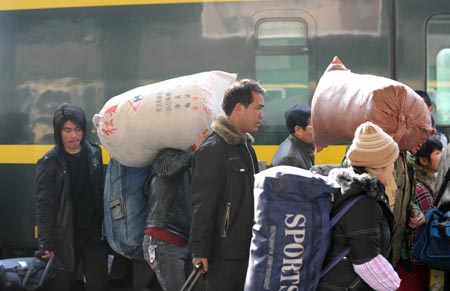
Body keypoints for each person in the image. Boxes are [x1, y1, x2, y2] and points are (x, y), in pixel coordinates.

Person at [189, 79, 265, 291]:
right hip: (223, 255)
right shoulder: (213, 149)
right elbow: (203, 204)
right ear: (239, 108)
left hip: (246, 250)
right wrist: (200, 250)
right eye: (258, 108)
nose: (262, 115)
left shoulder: (246, 147)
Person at [318, 121, 401, 291]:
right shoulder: (363, 203)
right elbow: (366, 261)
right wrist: (394, 285)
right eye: (392, 161)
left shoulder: (350, 190)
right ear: (378, 166)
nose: (393, 167)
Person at [35, 103, 108, 291]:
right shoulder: (48, 163)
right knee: (63, 285)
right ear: (58, 132)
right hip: (65, 238)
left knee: (98, 284)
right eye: (67, 130)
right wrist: (46, 242)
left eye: (78, 129)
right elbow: (44, 205)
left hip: (95, 236)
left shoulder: (94, 153)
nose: (74, 136)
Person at [142, 129, 208, 291]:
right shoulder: (165, 156)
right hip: (164, 240)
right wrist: (195, 148)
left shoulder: (196, 161)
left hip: (186, 242)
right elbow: (168, 169)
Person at [397, 137, 442, 291]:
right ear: (424, 160)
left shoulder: (426, 182)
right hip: (419, 256)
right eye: (438, 152)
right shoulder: (421, 188)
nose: (442, 156)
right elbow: (431, 220)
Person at [271, 104, 314, 169]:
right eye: (314, 127)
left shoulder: (302, 147)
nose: (319, 130)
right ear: (298, 130)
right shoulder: (290, 159)